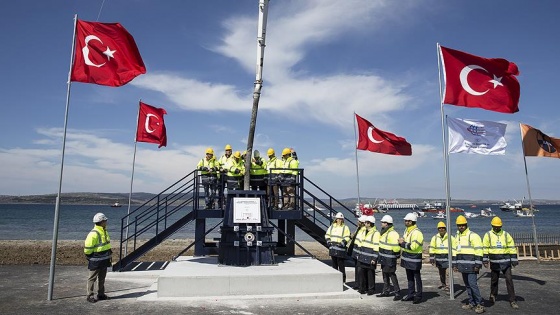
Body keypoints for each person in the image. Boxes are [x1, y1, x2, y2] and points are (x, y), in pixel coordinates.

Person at [482, 216, 519, 309]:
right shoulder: (488, 235)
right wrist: (485, 259)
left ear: (501, 226)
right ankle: (493, 295)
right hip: (494, 262)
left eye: (498, 226)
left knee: (509, 280)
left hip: (506, 262)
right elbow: (485, 248)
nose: (496, 228)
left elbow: (511, 247)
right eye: (495, 226)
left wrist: (514, 259)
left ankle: (512, 300)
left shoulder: (506, 235)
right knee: (494, 280)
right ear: (492, 225)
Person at [453, 215, 485, 314]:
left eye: (462, 225)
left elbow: (479, 251)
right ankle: (472, 302)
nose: (461, 227)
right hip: (463, 265)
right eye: (459, 225)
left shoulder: (473, 236)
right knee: (467, 285)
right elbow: (455, 251)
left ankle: (480, 304)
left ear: (466, 224)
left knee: (473, 285)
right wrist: (455, 264)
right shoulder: (457, 236)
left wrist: (477, 265)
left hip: (472, 266)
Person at [84, 212, 112, 303]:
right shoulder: (94, 233)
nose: (106, 222)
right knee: (92, 278)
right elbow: (87, 248)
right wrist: (90, 256)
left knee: (102, 277)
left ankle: (101, 294)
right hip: (96, 259)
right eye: (105, 220)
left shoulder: (104, 231)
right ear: (101, 221)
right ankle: (90, 295)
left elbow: (106, 244)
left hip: (104, 259)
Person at [398, 212, 424, 304]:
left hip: (414, 258)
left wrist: (402, 243)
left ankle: (419, 295)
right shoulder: (407, 230)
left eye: (407, 221)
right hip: (407, 257)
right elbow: (406, 244)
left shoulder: (416, 232)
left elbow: (414, 247)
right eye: (405, 220)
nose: (405, 222)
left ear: (412, 221)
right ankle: (411, 294)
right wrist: (401, 243)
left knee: (417, 277)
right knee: (409, 277)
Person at [377, 214, 402, 301]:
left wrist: (397, 254)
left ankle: (397, 292)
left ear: (387, 224)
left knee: (392, 274)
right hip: (384, 257)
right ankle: (386, 291)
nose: (381, 223)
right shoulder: (384, 232)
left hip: (390, 258)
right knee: (385, 274)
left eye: (383, 222)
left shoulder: (393, 233)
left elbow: (396, 247)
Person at [429, 221, 456, 291]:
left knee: (448, 273)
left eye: (443, 228)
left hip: (447, 258)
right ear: (438, 229)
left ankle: (449, 286)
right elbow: (432, 248)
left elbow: (454, 248)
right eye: (440, 228)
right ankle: (443, 284)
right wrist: (432, 258)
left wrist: (454, 258)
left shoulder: (451, 238)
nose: (441, 229)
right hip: (439, 259)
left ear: (445, 229)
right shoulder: (434, 238)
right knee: (441, 273)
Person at [357, 215, 380, 295]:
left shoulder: (376, 233)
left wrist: (374, 258)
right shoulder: (364, 231)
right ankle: (362, 288)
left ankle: (371, 289)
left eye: (366, 222)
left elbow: (376, 246)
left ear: (370, 223)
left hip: (370, 256)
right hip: (362, 255)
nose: (365, 224)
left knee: (370, 274)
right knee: (362, 273)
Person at [325, 212, 351, 283]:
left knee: (341, 265)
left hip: (340, 249)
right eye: (338, 219)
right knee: (334, 265)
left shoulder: (345, 227)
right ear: (336, 219)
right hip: (333, 248)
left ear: (343, 220)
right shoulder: (332, 226)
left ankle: (343, 280)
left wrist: (343, 243)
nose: (339, 220)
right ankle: (335, 280)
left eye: (341, 219)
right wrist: (328, 242)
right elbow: (327, 235)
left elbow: (347, 236)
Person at [348, 215, 367, 290]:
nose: (357, 222)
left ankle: (361, 285)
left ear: (362, 223)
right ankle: (357, 284)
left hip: (360, 252)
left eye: (359, 221)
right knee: (357, 269)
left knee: (360, 270)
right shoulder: (358, 229)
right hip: (355, 251)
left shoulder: (364, 230)